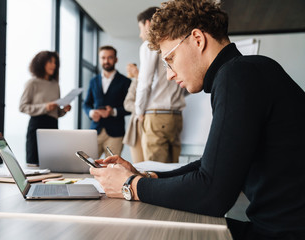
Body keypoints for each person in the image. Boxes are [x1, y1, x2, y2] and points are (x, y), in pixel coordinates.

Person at [90, 1, 305, 240]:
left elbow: (211, 194)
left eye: (169, 59)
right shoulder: (245, 71)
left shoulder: (237, 76)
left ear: (197, 39)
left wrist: (129, 186)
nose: (170, 74)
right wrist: (145, 176)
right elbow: (212, 165)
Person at [135, 7, 187, 163]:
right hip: (176, 117)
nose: (140, 34)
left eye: (140, 28)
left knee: (155, 170)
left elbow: (145, 81)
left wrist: (139, 111)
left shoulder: (150, 45)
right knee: (173, 170)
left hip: (156, 115)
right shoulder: (176, 42)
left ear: (148, 23)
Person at [19, 51, 71, 165]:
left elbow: (56, 113)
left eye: (55, 62)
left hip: (53, 126)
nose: (54, 65)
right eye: (50, 62)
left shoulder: (55, 84)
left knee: (52, 163)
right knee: (34, 162)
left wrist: (63, 111)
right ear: (41, 63)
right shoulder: (32, 83)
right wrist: (45, 107)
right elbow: (22, 107)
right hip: (37, 125)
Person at [83, 46, 131, 158]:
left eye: (110, 58)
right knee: (87, 164)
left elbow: (130, 107)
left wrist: (113, 112)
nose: (106, 61)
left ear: (116, 59)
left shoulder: (125, 82)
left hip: (115, 133)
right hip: (95, 131)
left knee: (112, 167)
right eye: (103, 58)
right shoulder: (93, 81)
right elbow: (86, 104)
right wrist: (91, 113)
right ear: (99, 59)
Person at [122, 63, 144, 163]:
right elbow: (127, 103)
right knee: (139, 163)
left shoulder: (154, 79)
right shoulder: (136, 81)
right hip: (138, 125)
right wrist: (140, 110)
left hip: (155, 121)